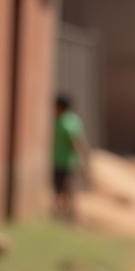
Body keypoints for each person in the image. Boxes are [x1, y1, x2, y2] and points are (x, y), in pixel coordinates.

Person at [52, 93, 88, 222]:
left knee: (67, 188)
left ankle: (69, 214)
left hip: (68, 161)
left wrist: (81, 158)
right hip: (57, 159)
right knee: (58, 188)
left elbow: (75, 141)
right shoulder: (59, 119)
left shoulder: (67, 121)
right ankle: (60, 212)